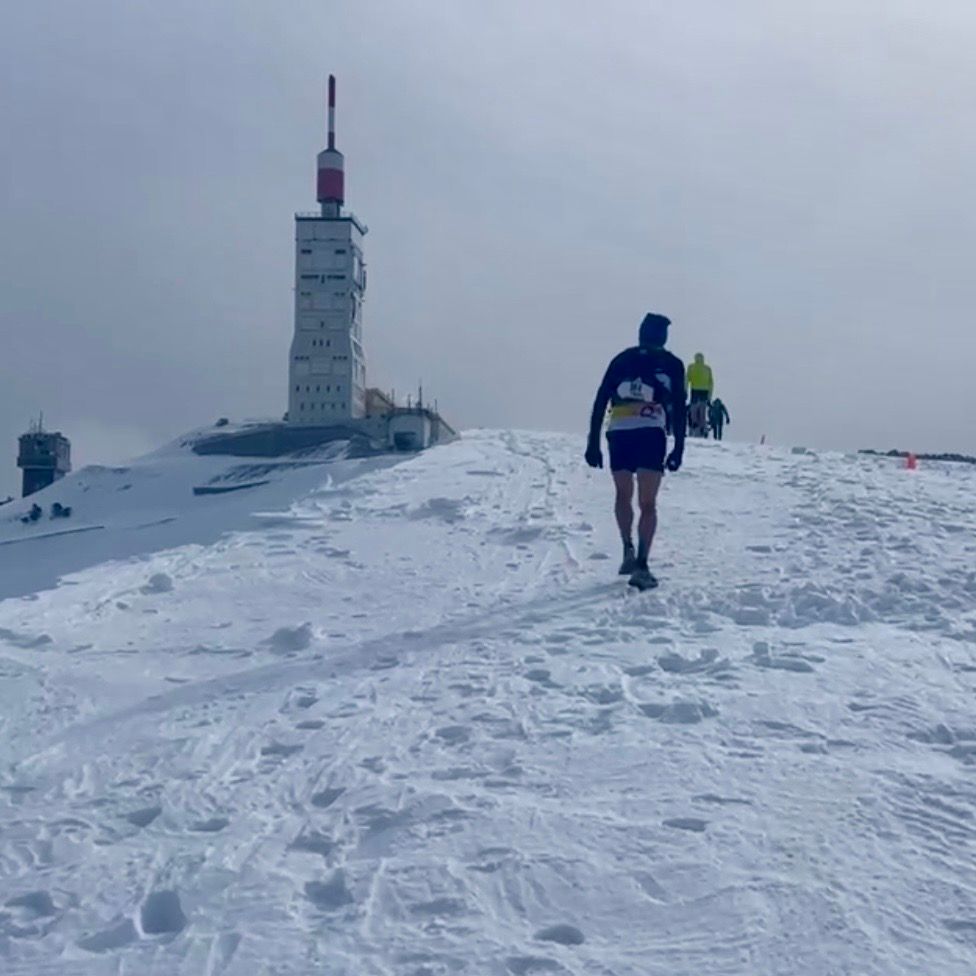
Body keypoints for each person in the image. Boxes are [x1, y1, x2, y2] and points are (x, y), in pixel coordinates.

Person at [585, 313, 686, 590]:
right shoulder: (672, 364)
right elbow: (679, 407)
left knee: (622, 494)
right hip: (650, 431)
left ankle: (627, 550)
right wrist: (679, 447)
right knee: (648, 503)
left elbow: (600, 399)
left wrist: (592, 442)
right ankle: (641, 564)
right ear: (663, 337)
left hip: (618, 429)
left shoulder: (621, 359)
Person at [685, 352, 713, 437]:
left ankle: (694, 427)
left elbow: (687, 380)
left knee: (694, 411)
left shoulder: (691, 367)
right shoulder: (707, 368)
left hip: (695, 391)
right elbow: (711, 383)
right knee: (702, 412)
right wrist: (709, 396)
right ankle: (702, 429)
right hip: (704, 392)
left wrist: (685, 391)